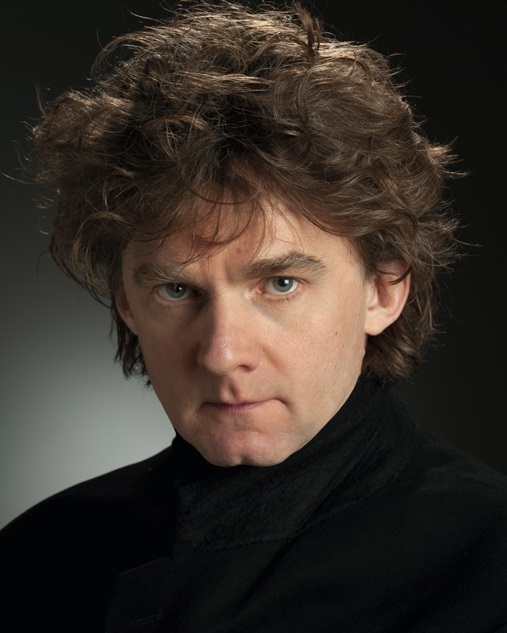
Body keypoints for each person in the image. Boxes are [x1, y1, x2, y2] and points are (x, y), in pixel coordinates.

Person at [1, 1, 506, 631]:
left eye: (280, 284)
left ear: (383, 290)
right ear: (126, 303)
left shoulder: (489, 561)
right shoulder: (34, 558)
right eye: (177, 291)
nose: (221, 354)